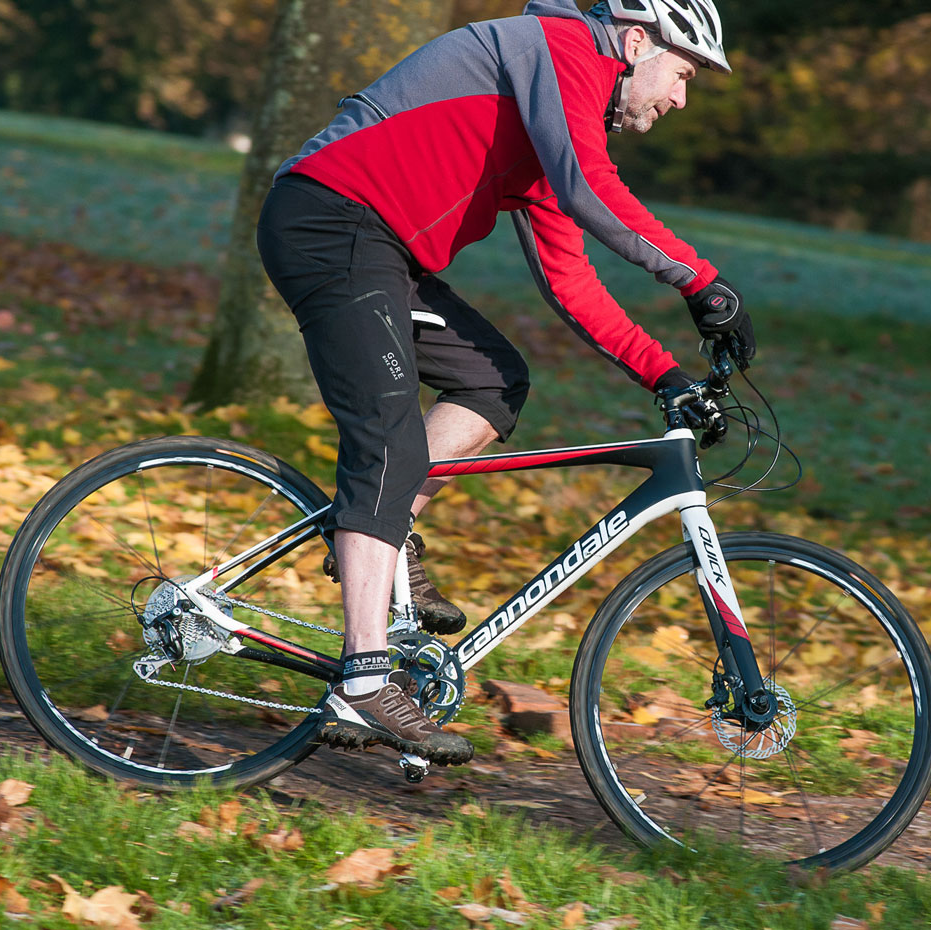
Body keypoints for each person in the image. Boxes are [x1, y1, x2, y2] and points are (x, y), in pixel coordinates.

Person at [256, 0, 756, 766]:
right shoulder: (558, 50)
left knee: (494, 380)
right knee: (385, 446)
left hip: (374, 247)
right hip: (334, 222)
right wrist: (701, 281)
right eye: (683, 73)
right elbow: (593, 189)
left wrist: (666, 375)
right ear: (635, 41)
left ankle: (387, 540)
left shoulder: (554, 126)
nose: (680, 97)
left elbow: (573, 282)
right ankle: (361, 678)